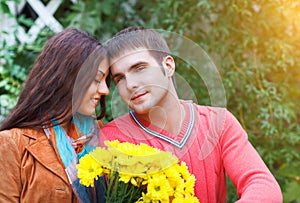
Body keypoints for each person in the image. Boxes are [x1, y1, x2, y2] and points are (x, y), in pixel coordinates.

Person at [100, 26, 283, 202]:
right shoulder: (113, 140)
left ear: (168, 65)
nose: (130, 84)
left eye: (139, 68)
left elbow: (263, 186)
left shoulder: (218, 123)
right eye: (120, 78)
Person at [0, 28, 109, 202]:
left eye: (106, 81)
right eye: (97, 79)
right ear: (67, 77)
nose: (105, 90)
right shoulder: (12, 144)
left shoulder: (100, 134)